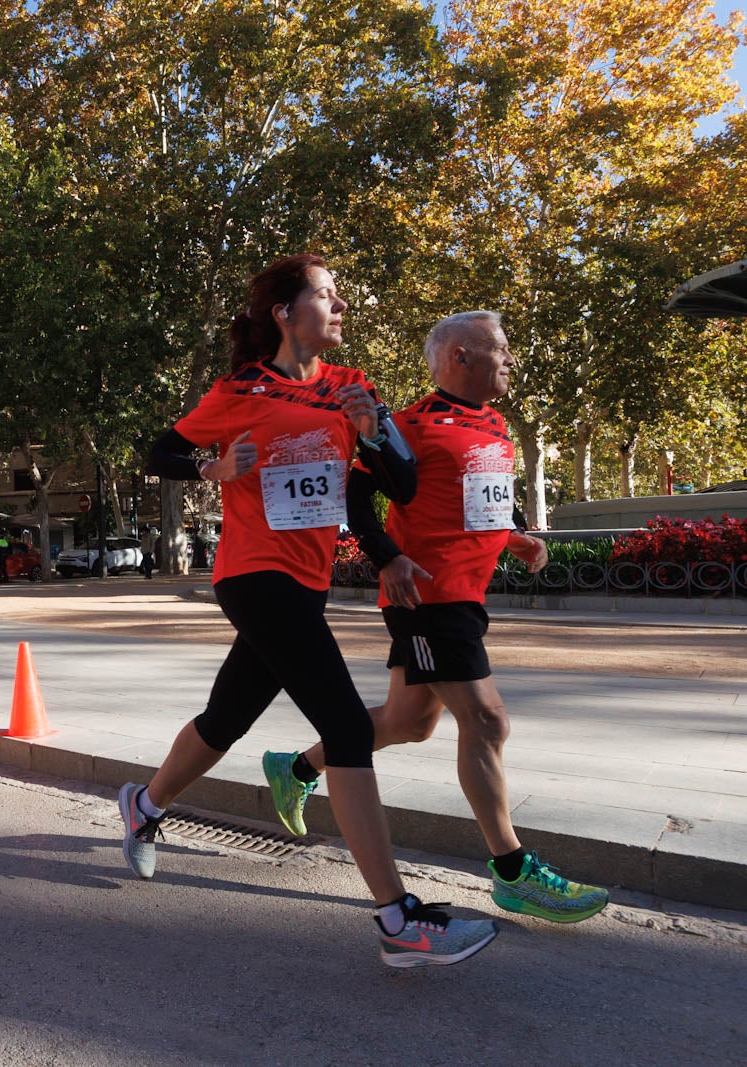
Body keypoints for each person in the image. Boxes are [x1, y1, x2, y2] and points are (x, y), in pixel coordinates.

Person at [120, 253, 498, 967]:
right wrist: (212, 467)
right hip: (252, 574)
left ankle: (144, 804)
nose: (341, 305)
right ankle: (398, 920)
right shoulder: (240, 388)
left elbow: (404, 485)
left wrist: (375, 432)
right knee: (348, 725)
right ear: (285, 313)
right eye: (327, 295)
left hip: (306, 581)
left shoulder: (354, 388)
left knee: (225, 720)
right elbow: (159, 450)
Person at [263, 311, 609, 924]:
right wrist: (389, 557)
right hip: (428, 598)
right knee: (488, 720)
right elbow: (356, 495)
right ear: (460, 358)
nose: (509, 359)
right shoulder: (410, 426)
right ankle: (510, 870)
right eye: (498, 349)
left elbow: (477, 505)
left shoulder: (495, 424)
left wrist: (518, 537)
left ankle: (295, 768)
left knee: (410, 722)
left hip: (465, 597)